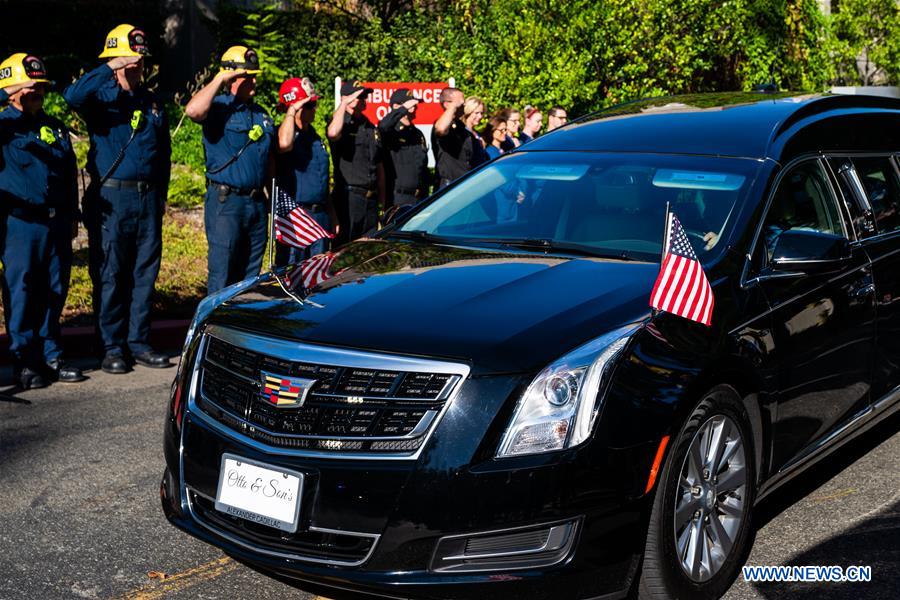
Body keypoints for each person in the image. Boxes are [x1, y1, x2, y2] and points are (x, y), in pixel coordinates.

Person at [64, 24, 172, 374]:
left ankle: (138, 342)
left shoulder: (152, 101)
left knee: (144, 273)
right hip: (113, 197)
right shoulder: (100, 98)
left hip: (147, 200)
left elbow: (163, 155)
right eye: (132, 59)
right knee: (111, 273)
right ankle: (111, 346)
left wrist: (162, 200)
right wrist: (111, 67)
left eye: (141, 60)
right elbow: (71, 97)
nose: (139, 65)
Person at [0, 54, 84, 388]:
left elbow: (69, 170)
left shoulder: (52, 126)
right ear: (14, 89)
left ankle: (51, 353)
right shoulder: (4, 127)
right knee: (22, 293)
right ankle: (24, 360)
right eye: (31, 87)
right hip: (20, 225)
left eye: (41, 87)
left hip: (56, 223)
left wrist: (73, 214)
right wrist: (5, 89)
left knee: (54, 289)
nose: (39, 92)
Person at [184, 45, 275, 294]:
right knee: (222, 274)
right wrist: (220, 78)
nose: (255, 80)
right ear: (232, 78)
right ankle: (215, 330)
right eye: (248, 76)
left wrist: (272, 200)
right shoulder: (217, 107)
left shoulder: (261, 114)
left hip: (257, 204)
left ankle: (240, 329)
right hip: (227, 203)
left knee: (250, 278)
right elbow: (192, 111)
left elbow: (268, 161)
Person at [274, 77, 333, 265]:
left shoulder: (315, 138)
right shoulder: (283, 134)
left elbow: (322, 180)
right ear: (297, 107)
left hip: (320, 215)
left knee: (318, 276)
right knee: (292, 274)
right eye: (310, 105)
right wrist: (291, 111)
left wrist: (332, 214)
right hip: (295, 218)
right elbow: (283, 144)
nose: (314, 109)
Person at [326, 80, 382, 246]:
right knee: (344, 249)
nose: (364, 99)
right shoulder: (339, 122)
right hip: (348, 197)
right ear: (346, 98)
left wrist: (382, 199)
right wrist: (343, 103)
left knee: (367, 248)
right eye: (359, 96)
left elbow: (378, 165)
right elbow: (333, 133)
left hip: (370, 198)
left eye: (365, 96)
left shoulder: (369, 126)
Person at [378, 88, 429, 208]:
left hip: (419, 199)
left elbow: (422, 169)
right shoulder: (390, 131)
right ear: (396, 106)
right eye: (411, 105)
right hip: (398, 199)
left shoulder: (417, 134)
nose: (415, 108)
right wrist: (403, 109)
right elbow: (382, 126)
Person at [432, 88, 478, 189]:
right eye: (460, 103)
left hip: (464, 184)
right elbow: (441, 129)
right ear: (447, 104)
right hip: (449, 186)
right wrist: (453, 106)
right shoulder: (441, 124)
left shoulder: (461, 128)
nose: (463, 105)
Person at [462, 96, 490, 167]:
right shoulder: (462, 133)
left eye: (481, 113)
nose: (480, 116)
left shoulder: (477, 134)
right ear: (468, 112)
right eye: (476, 113)